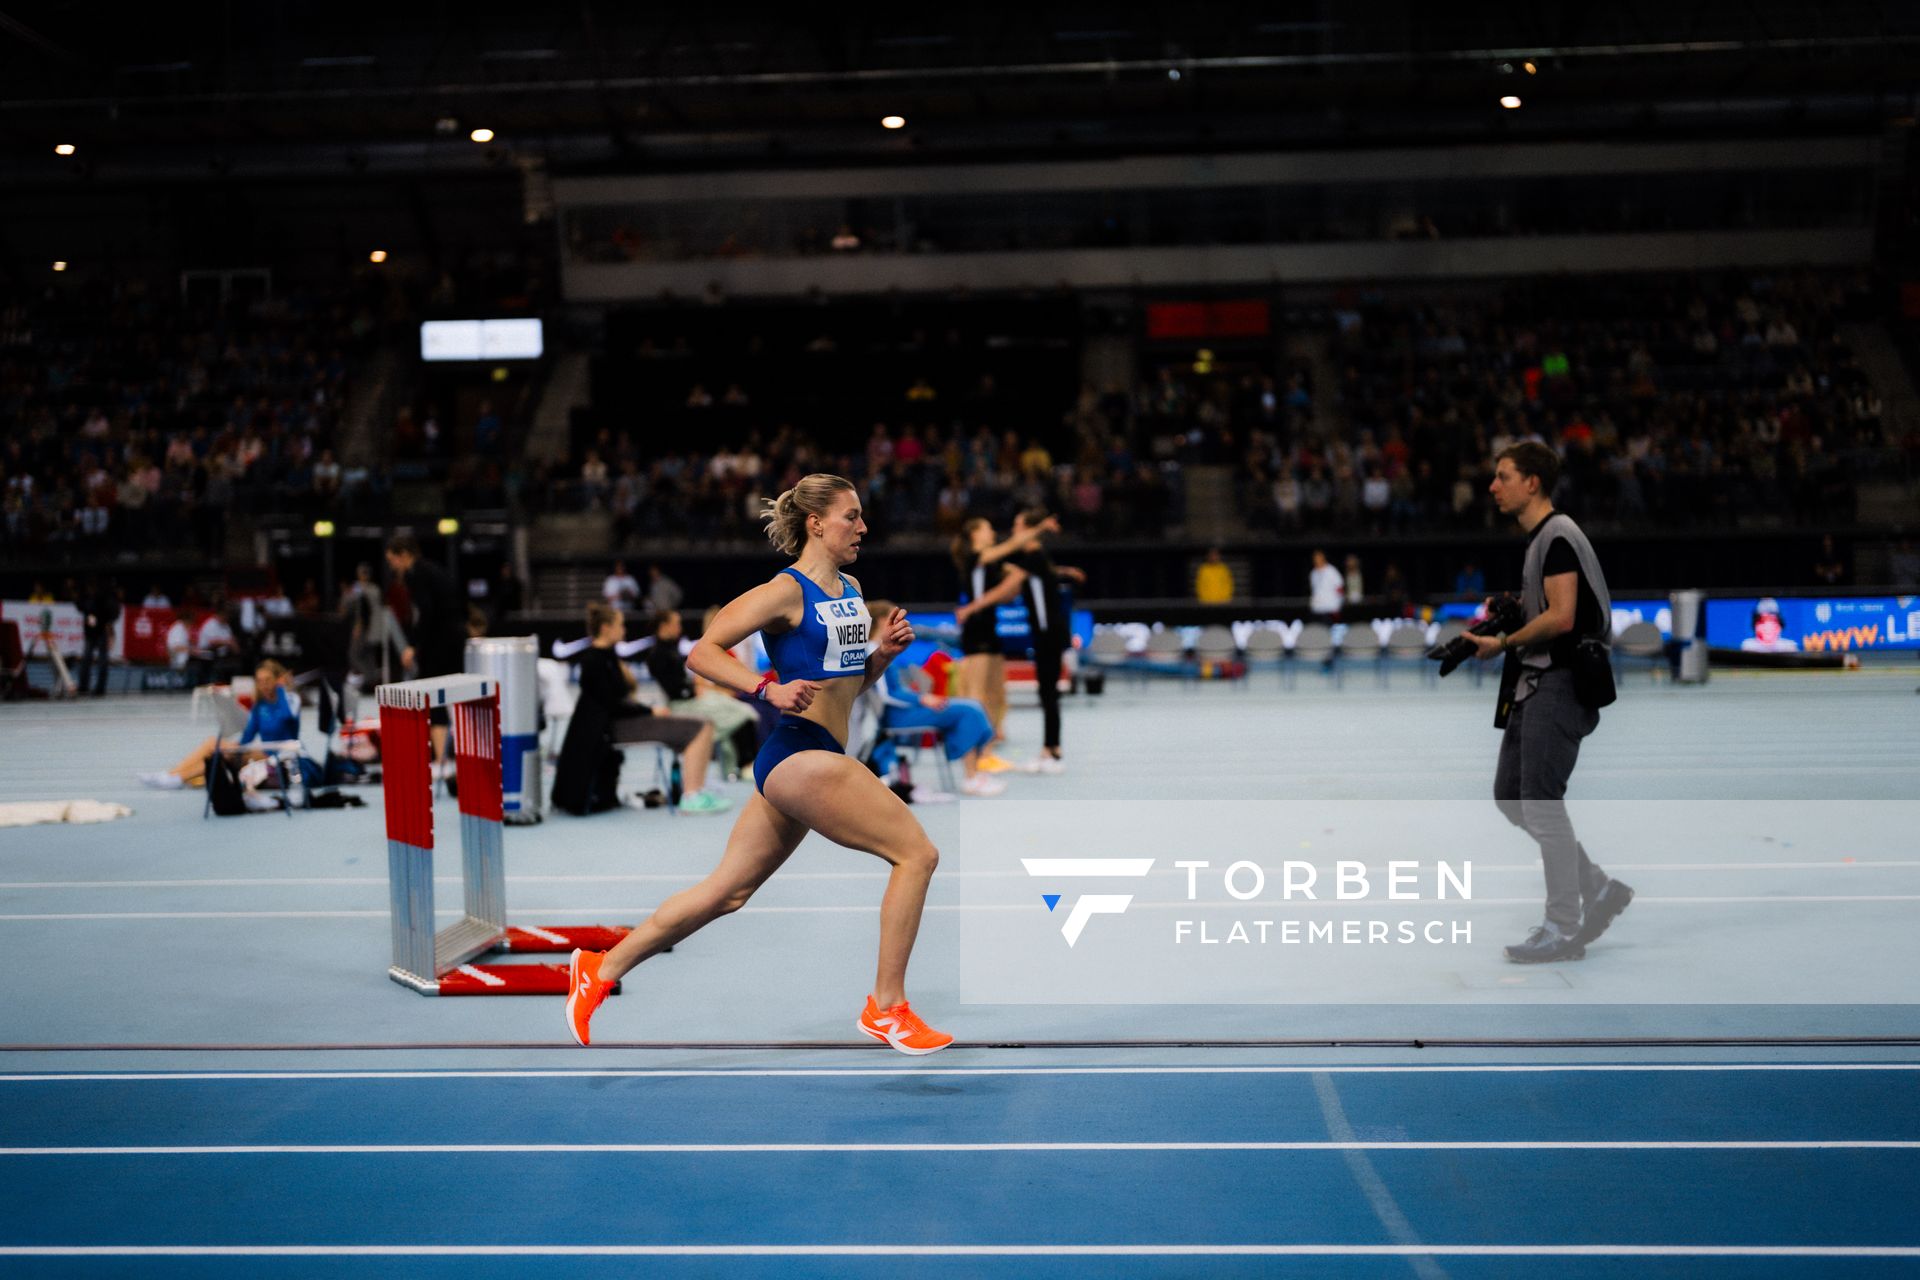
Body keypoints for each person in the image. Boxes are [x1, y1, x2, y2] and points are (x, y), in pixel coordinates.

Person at [564, 473, 952, 1055]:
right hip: (798, 753)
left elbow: (846, 691)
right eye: (851, 516)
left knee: (728, 892)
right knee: (916, 854)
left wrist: (881, 658)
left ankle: (600, 968)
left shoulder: (850, 589)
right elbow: (702, 652)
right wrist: (765, 689)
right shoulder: (785, 591)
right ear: (817, 524)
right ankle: (887, 1008)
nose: (863, 527)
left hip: (816, 754)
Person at [1468, 442, 1634, 963]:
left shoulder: (1557, 535)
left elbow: (1562, 617)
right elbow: (1555, 607)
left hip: (1559, 684)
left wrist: (1503, 642)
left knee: (1540, 804)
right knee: (1510, 797)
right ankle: (1597, 887)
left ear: (1532, 482)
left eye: (1503, 476)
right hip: (1537, 683)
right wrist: (1515, 609)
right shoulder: (1544, 539)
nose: (1494, 486)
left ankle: (1562, 927)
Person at [551, 604, 729, 816]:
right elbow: (612, 704)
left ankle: (696, 788)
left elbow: (619, 698)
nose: (624, 630)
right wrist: (650, 711)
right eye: (620, 625)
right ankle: (692, 796)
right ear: (606, 628)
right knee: (701, 727)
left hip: (624, 721)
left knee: (704, 724)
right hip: (614, 728)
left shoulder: (608, 658)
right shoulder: (594, 661)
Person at [866, 599, 1004, 796]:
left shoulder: (881, 647)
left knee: (973, 706)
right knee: (968, 711)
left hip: (908, 708)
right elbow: (885, 694)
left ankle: (975, 772)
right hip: (899, 715)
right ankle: (971, 777)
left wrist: (921, 697)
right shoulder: (873, 650)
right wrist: (921, 699)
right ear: (882, 621)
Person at [951, 516, 1050, 764]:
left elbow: (1017, 579)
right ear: (975, 534)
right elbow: (1013, 545)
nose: (993, 532)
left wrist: (1060, 572)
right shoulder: (976, 558)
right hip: (975, 633)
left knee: (996, 694)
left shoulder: (994, 564)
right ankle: (973, 754)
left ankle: (988, 749)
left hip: (991, 632)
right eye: (988, 528)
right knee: (976, 696)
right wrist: (1040, 527)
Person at [140, 659, 299, 789]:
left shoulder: (291, 699)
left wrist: (281, 689)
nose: (263, 685)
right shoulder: (260, 705)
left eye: (268, 680)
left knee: (225, 753)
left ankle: (178, 778)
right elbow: (249, 735)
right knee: (213, 743)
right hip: (264, 752)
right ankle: (171, 775)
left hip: (283, 756)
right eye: (260, 681)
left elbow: (286, 717)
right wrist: (236, 746)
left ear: (277, 680)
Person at [1008, 508, 1085, 774]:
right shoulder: (1037, 559)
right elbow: (1045, 574)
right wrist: (1067, 571)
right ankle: (1050, 749)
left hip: (1048, 634)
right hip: (1047, 633)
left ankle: (1053, 751)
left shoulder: (1034, 557)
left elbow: (1011, 581)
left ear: (1029, 530)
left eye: (1018, 525)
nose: (1014, 530)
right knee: (1046, 692)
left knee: (1048, 693)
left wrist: (975, 605)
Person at [645, 609, 763, 781]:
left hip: (693, 698)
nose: (680, 628)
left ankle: (741, 764)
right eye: (676, 624)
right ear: (664, 626)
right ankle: (743, 764)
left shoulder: (673, 649)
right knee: (741, 714)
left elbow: (688, 683)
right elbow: (677, 689)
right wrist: (695, 690)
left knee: (744, 711)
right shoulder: (657, 655)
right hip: (682, 705)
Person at [386, 533, 466, 777]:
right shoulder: (433, 570)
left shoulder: (417, 574)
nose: (392, 566)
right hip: (453, 640)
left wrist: (413, 645)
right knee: (452, 695)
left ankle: (441, 759)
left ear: (404, 555)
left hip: (440, 643)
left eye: (392, 560)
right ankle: (453, 755)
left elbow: (426, 613)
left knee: (434, 696)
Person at [77, 578, 120, 697]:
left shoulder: (104, 597)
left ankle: (100, 688)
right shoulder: (86, 597)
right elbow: (81, 607)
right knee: (87, 659)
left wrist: (107, 623)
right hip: (91, 632)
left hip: (101, 632)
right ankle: (84, 687)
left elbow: (112, 612)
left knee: (102, 661)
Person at [1308, 549, 1344, 620]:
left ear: (1323, 558)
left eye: (1318, 558)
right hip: (1317, 609)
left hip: (1330, 608)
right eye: (1315, 558)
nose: (1316, 560)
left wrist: (1338, 606)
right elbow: (1314, 591)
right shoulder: (1313, 573)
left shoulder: (1332, 571)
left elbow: (1340, 589)